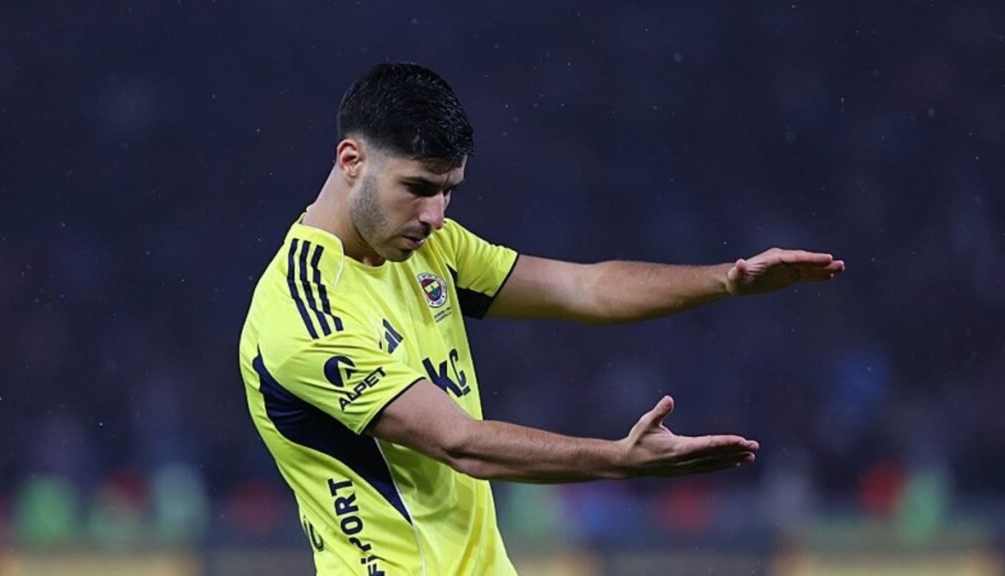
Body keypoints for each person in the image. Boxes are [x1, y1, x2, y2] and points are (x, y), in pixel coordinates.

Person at [238, 62, 844, 575]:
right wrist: (618, 460)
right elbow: (460, 443)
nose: (436, 215)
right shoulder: (304, 311)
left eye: (448, 190)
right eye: (418, 187)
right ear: (351, 160)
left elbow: (583, 288)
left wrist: (726, 280)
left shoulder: (430, 249)